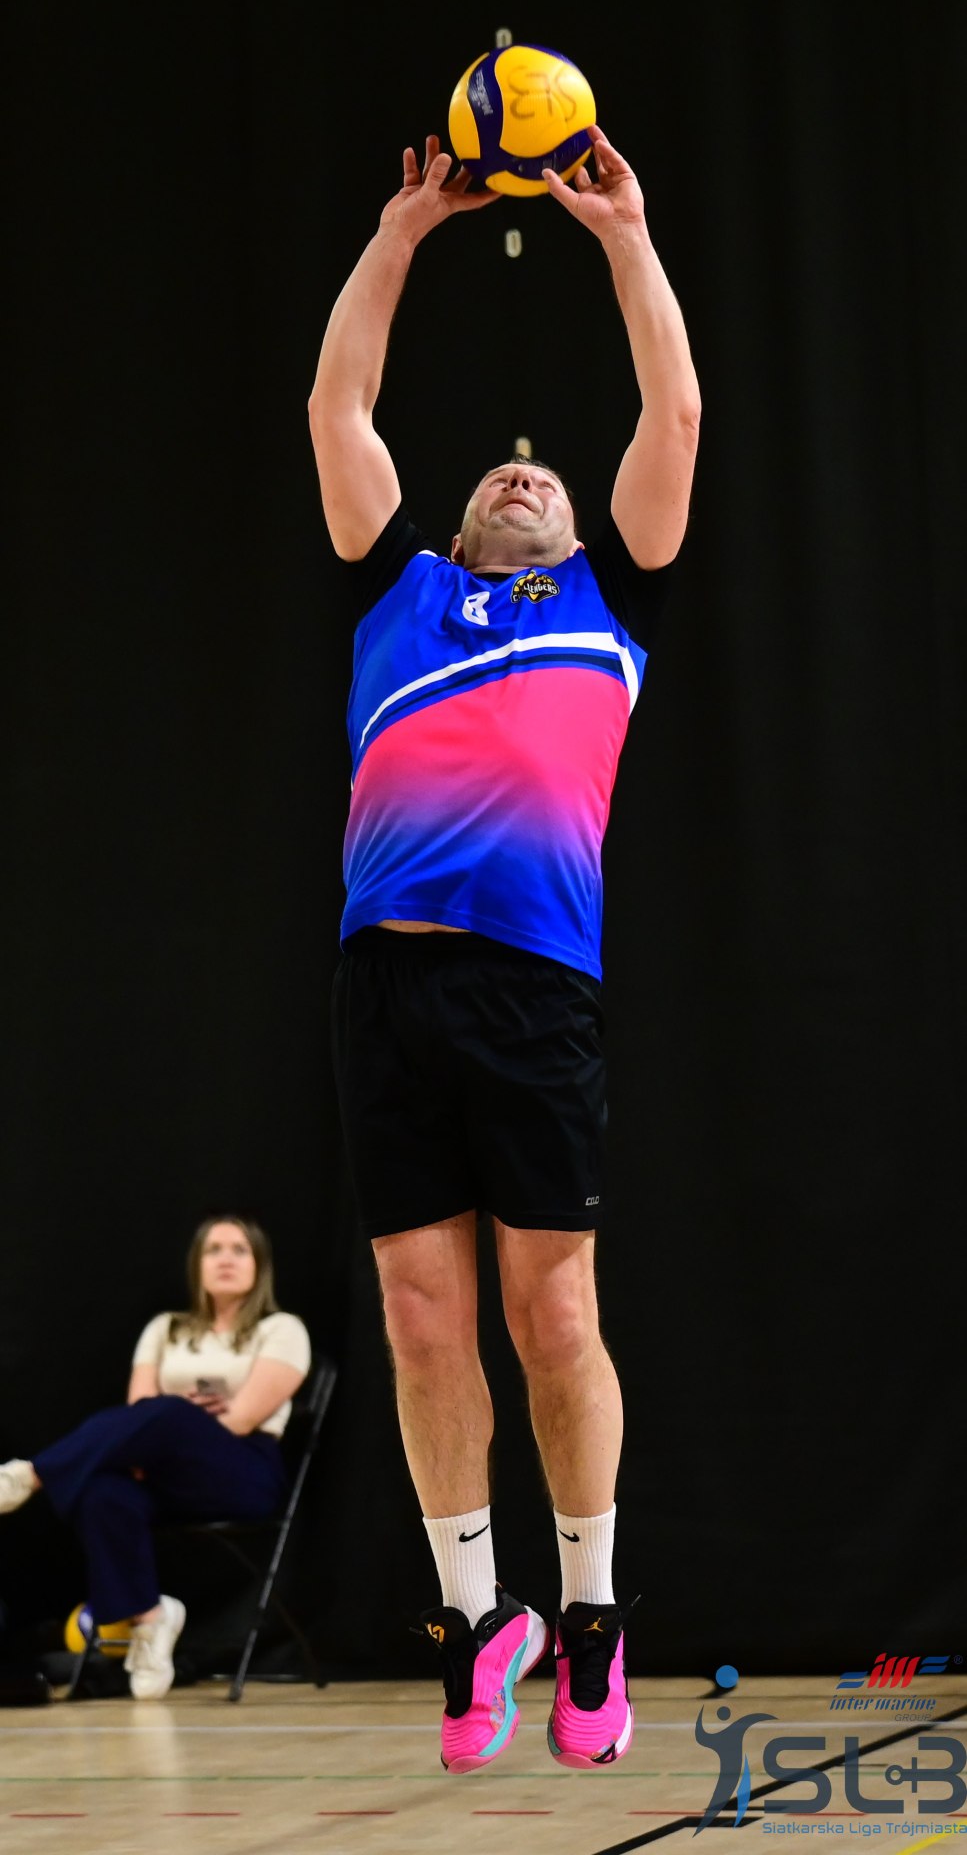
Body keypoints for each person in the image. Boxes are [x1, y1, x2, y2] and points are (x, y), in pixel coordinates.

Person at [308, 124, 700, 1772]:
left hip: (534, 990)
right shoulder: (394, 592)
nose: (519, 477)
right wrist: (402, 231)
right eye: (498, 476)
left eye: (541, 475)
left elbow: (670, 417)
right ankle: (478, 1620)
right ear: (461, 517)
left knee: (550, 1317)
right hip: (384, 985)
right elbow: (340, 408)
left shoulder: (612, 605)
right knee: (417, 1318)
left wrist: (623, 238)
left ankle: (589, 1614)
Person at [0, 1214, 311, 1698]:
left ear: (259, 1266)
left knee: (167, 1411)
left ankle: (31, 1475)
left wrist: (176, 1417)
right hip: (161, 1471)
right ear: (197, 1264)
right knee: (103, 1491)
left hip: (242, 1470)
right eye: (214, 1250)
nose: (226, 1259)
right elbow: (137, 1411)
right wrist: (168, 1423)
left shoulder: (281, 1329)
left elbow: (241, 1419)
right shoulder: (165, 1329)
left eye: (239, 1250)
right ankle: (150, 1621)